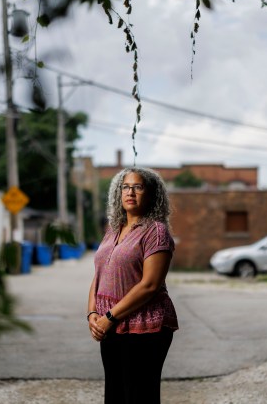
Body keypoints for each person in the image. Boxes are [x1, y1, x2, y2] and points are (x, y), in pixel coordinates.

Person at [87, 167, 178, 404]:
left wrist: (108, 317)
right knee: (115, 393)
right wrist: (92, 313)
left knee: (138, 395)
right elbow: (98, 274)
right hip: (110, 324)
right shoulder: (112, 230)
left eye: (138, 187)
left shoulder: (156, 232)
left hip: (146, 325)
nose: (130, 192)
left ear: (152, 195)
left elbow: (150, 284)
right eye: (126, 187)